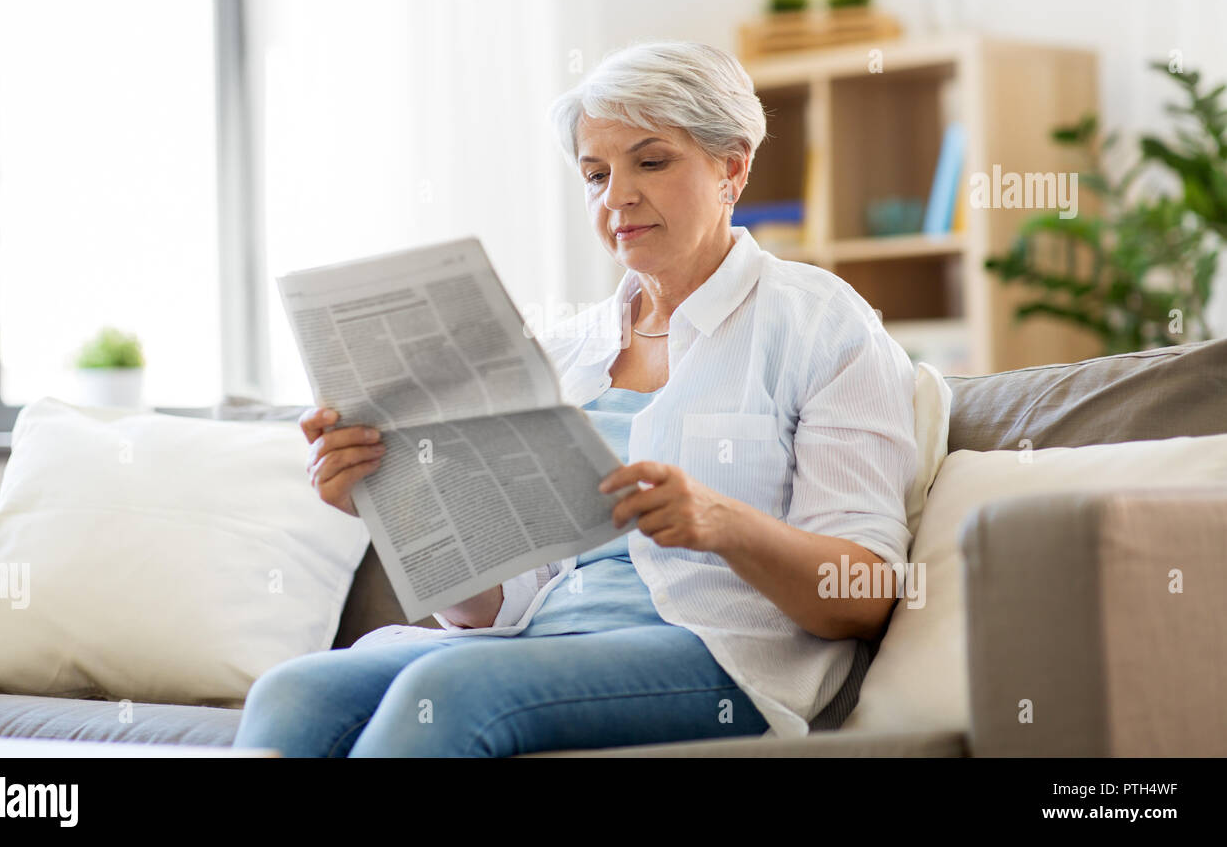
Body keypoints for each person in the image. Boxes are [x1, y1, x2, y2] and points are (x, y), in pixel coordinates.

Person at [232, 39, 917, 757]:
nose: (617, 196)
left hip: (721, 657)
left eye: (651, 161)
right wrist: (395, 506)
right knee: (295, 690)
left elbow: (862, 597)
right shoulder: (563, 351)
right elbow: (501, 604)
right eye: (596, 174)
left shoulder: (822, 324)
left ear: (733, 168)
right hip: (541, 645)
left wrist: (721, 523)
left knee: (454, 695)